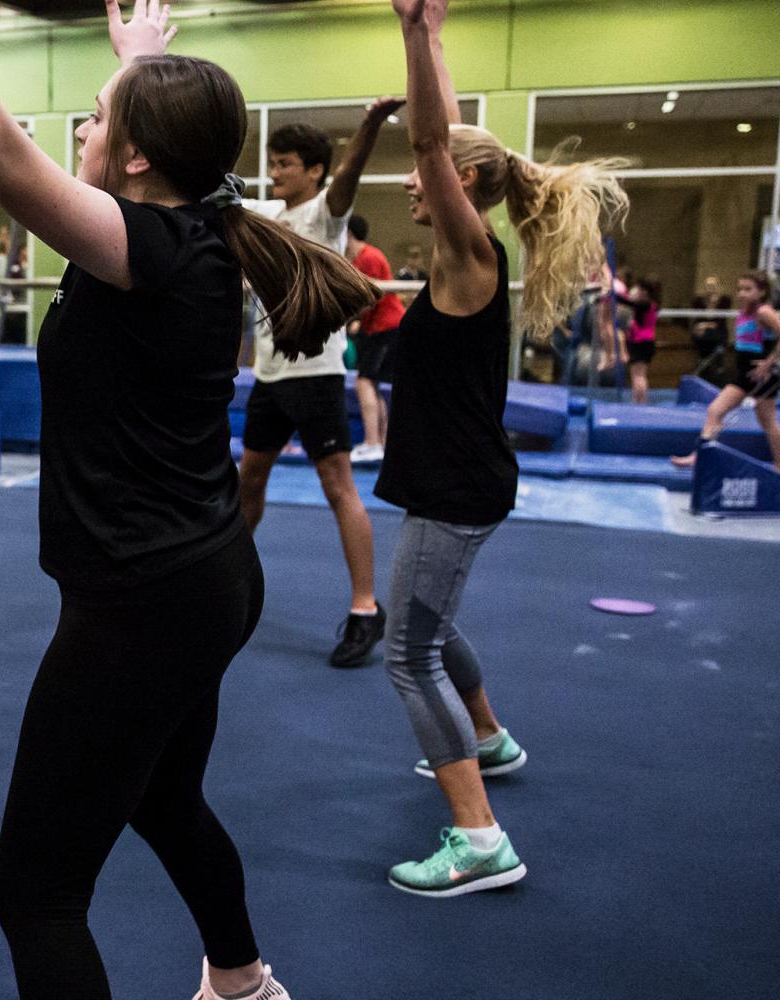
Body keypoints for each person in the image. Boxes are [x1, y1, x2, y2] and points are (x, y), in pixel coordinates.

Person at [0, 0, 379, 995]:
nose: (81, 133)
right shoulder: (192, 232)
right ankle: (241, 981)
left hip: (142, 603)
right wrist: (136, 68)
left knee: (33, 892)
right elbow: (106, 154)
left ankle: (243, 979)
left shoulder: (157, 249)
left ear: (136, 157)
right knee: (164, 799)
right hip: (202, 575)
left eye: (95, 119)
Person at [379, 0, 627, 897]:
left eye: (431, 172)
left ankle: (480, 836)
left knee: (406, 656)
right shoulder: (469, 248)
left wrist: (413, 38)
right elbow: (444, 144)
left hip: (456, 488)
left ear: (467, 183)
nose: (412, 183)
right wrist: (435, 37)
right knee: (431, 631)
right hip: (457, 479)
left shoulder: (468, 247)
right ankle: (489, 737)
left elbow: (431, 147)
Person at [242, 99, 400, 669]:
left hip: (315, 374)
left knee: (338, 486)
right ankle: (227, 583)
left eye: (286, 163)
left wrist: (371, 125)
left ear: (313, 171)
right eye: (274, 162)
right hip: (270, 374)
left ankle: (365, 609)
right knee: (249, 481)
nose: (277, 172)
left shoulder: (324, 217)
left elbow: (348, 174)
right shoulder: (263, 216)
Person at [671, 272, 779, 469]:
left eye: (748, 289)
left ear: (762, 292)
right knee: (715, 411)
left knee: (768, 423)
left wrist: (769, 363)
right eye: (740, 289)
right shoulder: (743, 312)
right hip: (743, 374)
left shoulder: (764, 312)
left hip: (762, 376)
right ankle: (700, 457)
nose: (742, 294)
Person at [347, 214, 406, 463]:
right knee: (372, 383)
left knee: (364, 382)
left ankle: (373, 443)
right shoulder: (359, 258)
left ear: (348, 232)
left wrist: (347, 317)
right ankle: (379, 443)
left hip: (387, 327)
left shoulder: (368, 258)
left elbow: (367, 299)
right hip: (380, 327)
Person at [619, 276, 661, 404]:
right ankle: (641, 400)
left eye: (639, 291)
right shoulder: (653, 304)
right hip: (648, 342)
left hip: (640, 342)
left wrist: (613, 295)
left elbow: (628, 302)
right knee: (641, 374)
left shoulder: (645, 304)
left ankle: (639, 401)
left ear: (645, 292)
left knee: (637, 375)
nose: (637, 293)